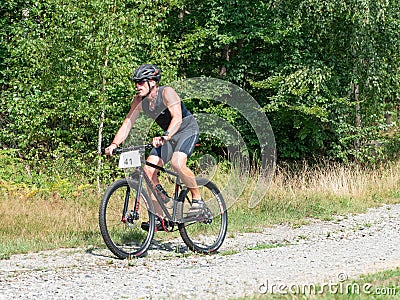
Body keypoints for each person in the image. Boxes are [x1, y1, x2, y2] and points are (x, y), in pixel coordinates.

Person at [105, 64, 205, 230]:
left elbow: (177, 118)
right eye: (136, 83)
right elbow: (128, 123)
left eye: (141, 82)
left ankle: (198, 200)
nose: (137, 86)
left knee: (177, 163)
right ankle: (160, 217)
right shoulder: (139, 101)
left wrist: (165, 136)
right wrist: (114, 144)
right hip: (167, 136)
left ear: (153, 82)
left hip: (186, 130)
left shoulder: (167, 93)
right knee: (148, 171)